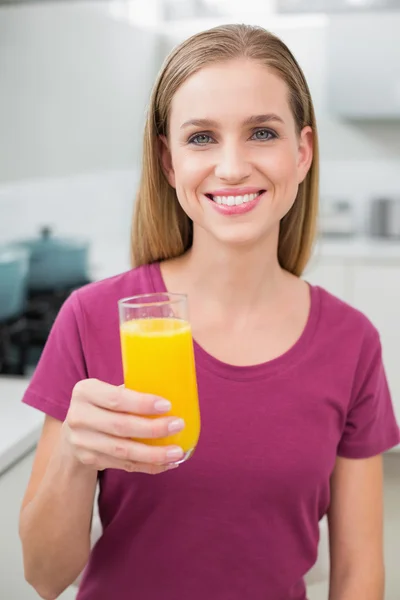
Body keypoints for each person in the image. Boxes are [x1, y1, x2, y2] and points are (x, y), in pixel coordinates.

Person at [19, 23, 399, 600]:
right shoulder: (92, 318)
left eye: (261, 133)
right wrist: (73, 456)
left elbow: (358, 574)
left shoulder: (352, 342)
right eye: (201, 138)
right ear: (170, 163)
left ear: (302, 152)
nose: (230, 167)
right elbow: (44, 578)